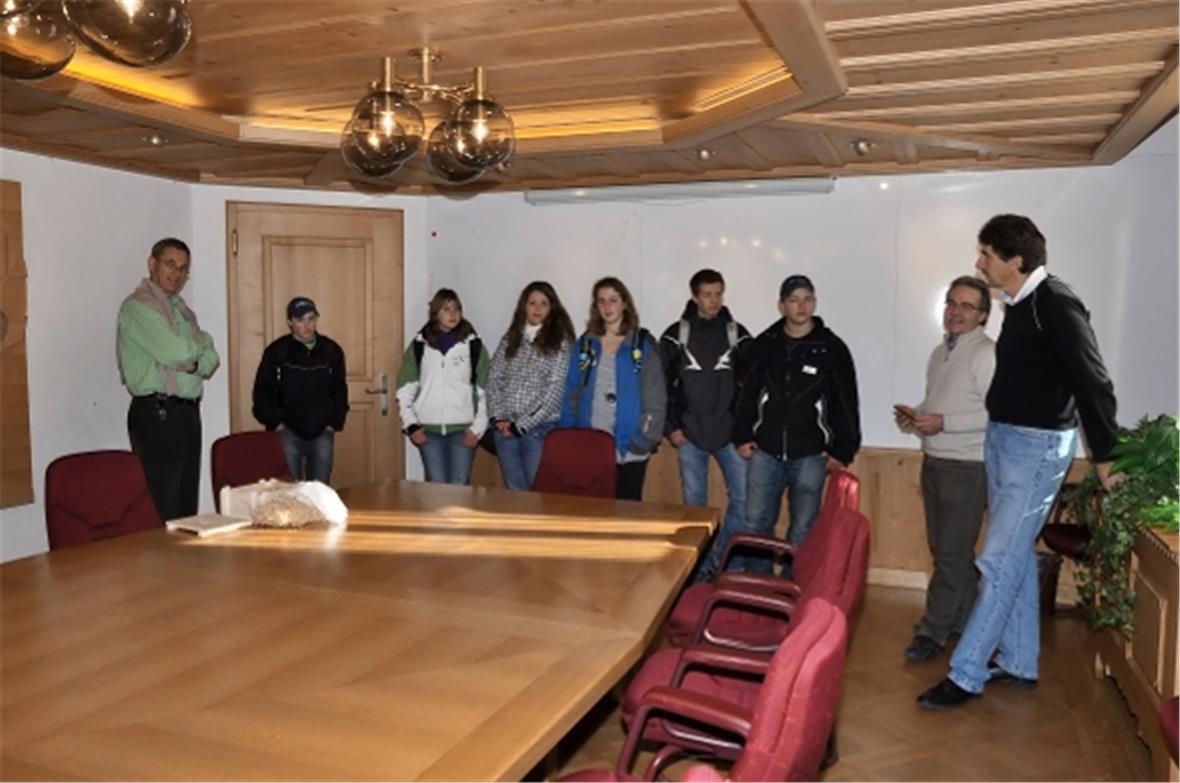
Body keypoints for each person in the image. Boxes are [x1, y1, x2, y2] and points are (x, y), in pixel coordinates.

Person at [918, 214, 1120, 710]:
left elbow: (1093, 381)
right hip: (1005, 439)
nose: (978, 262)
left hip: (1037, 448)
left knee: (997, 558)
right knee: (1015, 555)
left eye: (986, 254)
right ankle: (1019, 661)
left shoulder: (1057, 304)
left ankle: (966, 673)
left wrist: (1105, 455)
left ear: (1015, 260)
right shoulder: (1020, 302)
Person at [732, 274, 861, 574]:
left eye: (807, 299)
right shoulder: (765, 345)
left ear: (814, 303)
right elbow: (746, 393)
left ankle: (792, 588)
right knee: (755, 524)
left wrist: (843, 449)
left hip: (810, 455)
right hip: (764, 451)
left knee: (803, 529)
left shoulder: (832, 348)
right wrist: (741, 435)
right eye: (794, 300)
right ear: (781, 306)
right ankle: (759, 589)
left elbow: (846, 401)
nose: (801, 306)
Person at [895, 276, 995, 662]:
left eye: (967, 306)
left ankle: (932, 632)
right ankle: (967, 623)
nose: (955, 311)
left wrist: (944, 423)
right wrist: (916, 416)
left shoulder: (986, 354)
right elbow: (939, 404)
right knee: (948, 551)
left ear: (983, 315)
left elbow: (995, 413)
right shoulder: (940, 352)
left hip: (967, 468)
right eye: (951, 303)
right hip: (935, 460)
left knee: (951, 554)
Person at [117, 237, 219, 521]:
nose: (177, 273)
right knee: (163, 509)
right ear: (152, 263)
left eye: (183, 268)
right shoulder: (138, 307)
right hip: (157, 415)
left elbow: (211, 358)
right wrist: (196, 350)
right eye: (170, 264)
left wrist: (193, 357)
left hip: (186, 414)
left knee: (186, 509)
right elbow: (178, 353)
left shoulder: (181, 310)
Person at [660, 268, 752, 582]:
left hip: (730, 434)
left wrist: (744, 430)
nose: (714, 301)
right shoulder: (675, 335)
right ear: (695, 296)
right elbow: (661, 385)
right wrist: (671, 427)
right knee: (695, 508)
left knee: (744, 499)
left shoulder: (738, 334)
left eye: (718, 294)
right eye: (707, 295)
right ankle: (700, 570)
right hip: (689, 434)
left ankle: (724, 562)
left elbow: (753, 385)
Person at [559, 276, 666, 501]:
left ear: (625, 303)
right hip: (591, 444)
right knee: (594, 509)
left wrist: (643, 440)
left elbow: (655, 397)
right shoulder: (586, 344)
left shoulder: (642, 344)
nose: (607, 306)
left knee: (628, 510)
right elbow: (571, 391)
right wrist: (570, 433)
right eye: (602, 301)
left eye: (613, 300)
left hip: (630, 446)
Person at [486, 281, 576, 491]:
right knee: (515, 491)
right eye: (532, 303)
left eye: (544, 303)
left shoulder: (560, 342)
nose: (537, 308)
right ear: (523, 306)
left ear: (552, 308)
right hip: (505, 428)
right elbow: (494, 379)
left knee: (538, 493)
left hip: (537, 430)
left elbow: (555, 390)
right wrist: (498, 417)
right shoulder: (510, 339)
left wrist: (522, 425)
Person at [395, 288, 490, 485]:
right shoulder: (419, 346)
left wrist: (478, 428)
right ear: (435, 313)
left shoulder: (474, 346)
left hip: (464, 431)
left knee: (460, 488)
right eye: (446, 309)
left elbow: (486, 391)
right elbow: (405, 389)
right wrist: (411, 426)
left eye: (456, 309)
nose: (453, 314)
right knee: (436, 489)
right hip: (428, 432)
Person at [251, 296, 348, 484]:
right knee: (289, 489)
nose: (307, 325)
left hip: (322, 431)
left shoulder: (331, 350)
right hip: (287, 431)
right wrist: (274, 422)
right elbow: (263, 390)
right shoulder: (277, 351)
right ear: (290, 322)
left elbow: (339, 388)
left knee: (320, 490)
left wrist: (335, 421)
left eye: (311, 319)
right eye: (300, 320)